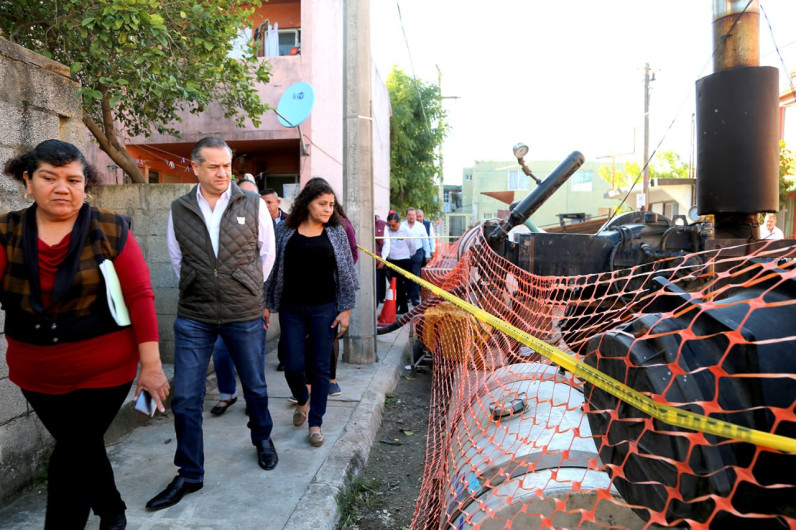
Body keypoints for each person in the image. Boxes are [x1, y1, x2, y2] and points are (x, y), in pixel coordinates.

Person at [0, 140, 170, 529]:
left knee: (69, 458)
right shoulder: (6, 232)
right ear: (28, 181)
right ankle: (111, 508)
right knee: (82, 446)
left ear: (85, 185)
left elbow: (140, 294)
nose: (62, 188)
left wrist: (152, 365)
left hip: (105, 372)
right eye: (49, 177)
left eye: (73, 179)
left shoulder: (109, 228)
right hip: (36, 376)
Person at [147, 137, 278, 511]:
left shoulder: (252, 203)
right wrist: (203, 285)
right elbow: (177, 257)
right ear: (196, 168)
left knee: (254, 384)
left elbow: (267, 254)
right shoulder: (180, 208)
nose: (223, 174)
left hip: (243, 310)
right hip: (195, 314)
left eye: (227, 166)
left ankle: (263, 439)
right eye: (214, 167)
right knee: (186, 397)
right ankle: (190, 473)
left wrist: (246, 288)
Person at [265, 177, 359, 447]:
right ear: (307, 203)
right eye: (322, 204)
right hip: (291, 308)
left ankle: (315, 422)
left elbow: (346, 273)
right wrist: (265, 304)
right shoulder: (284, 230)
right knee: (292, 364)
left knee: (320, 367)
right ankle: (302, 399)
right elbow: (272, 269)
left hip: (325, 309)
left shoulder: (336, 231)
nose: (329, 209)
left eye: (331, 204)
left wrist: (346, 309)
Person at [209, 176, 264, 416]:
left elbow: (269, 260)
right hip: (222, 304)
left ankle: (254, 401)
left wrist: (262, 301)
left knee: (253, 357)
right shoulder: (218, 220)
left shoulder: (261, 221)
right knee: (221, 350)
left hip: (253, 302)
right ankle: (227, 394)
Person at [386, 212, 417, 314]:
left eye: (393, 225)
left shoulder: (406, 231)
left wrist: (407, 255)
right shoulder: (387, 231)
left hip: (403, 260)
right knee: (393, 285)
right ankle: (395, 306)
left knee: (400, 286)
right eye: (389, 225)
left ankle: (402, 307)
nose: (391, 227)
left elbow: (412, 246)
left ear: (399, 223)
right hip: (391, 261)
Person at [402, 208, 430, 306]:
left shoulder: (420, 226)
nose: (412, 217)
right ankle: (407, 296)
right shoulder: (402, 225)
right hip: (404, 253)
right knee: (405, 275)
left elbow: (425, 241)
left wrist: (427, 254)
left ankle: (415, 298)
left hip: (417, 252)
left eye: (413, 215)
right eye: (409, 214)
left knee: (415, 274)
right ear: (406, 216)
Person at [374, 214, 390, 304]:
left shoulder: (382, 225)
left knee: (377, 287)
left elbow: (386, 244)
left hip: (378, 262)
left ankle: (377, 303)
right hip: (364, 263)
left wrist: (382, 260)